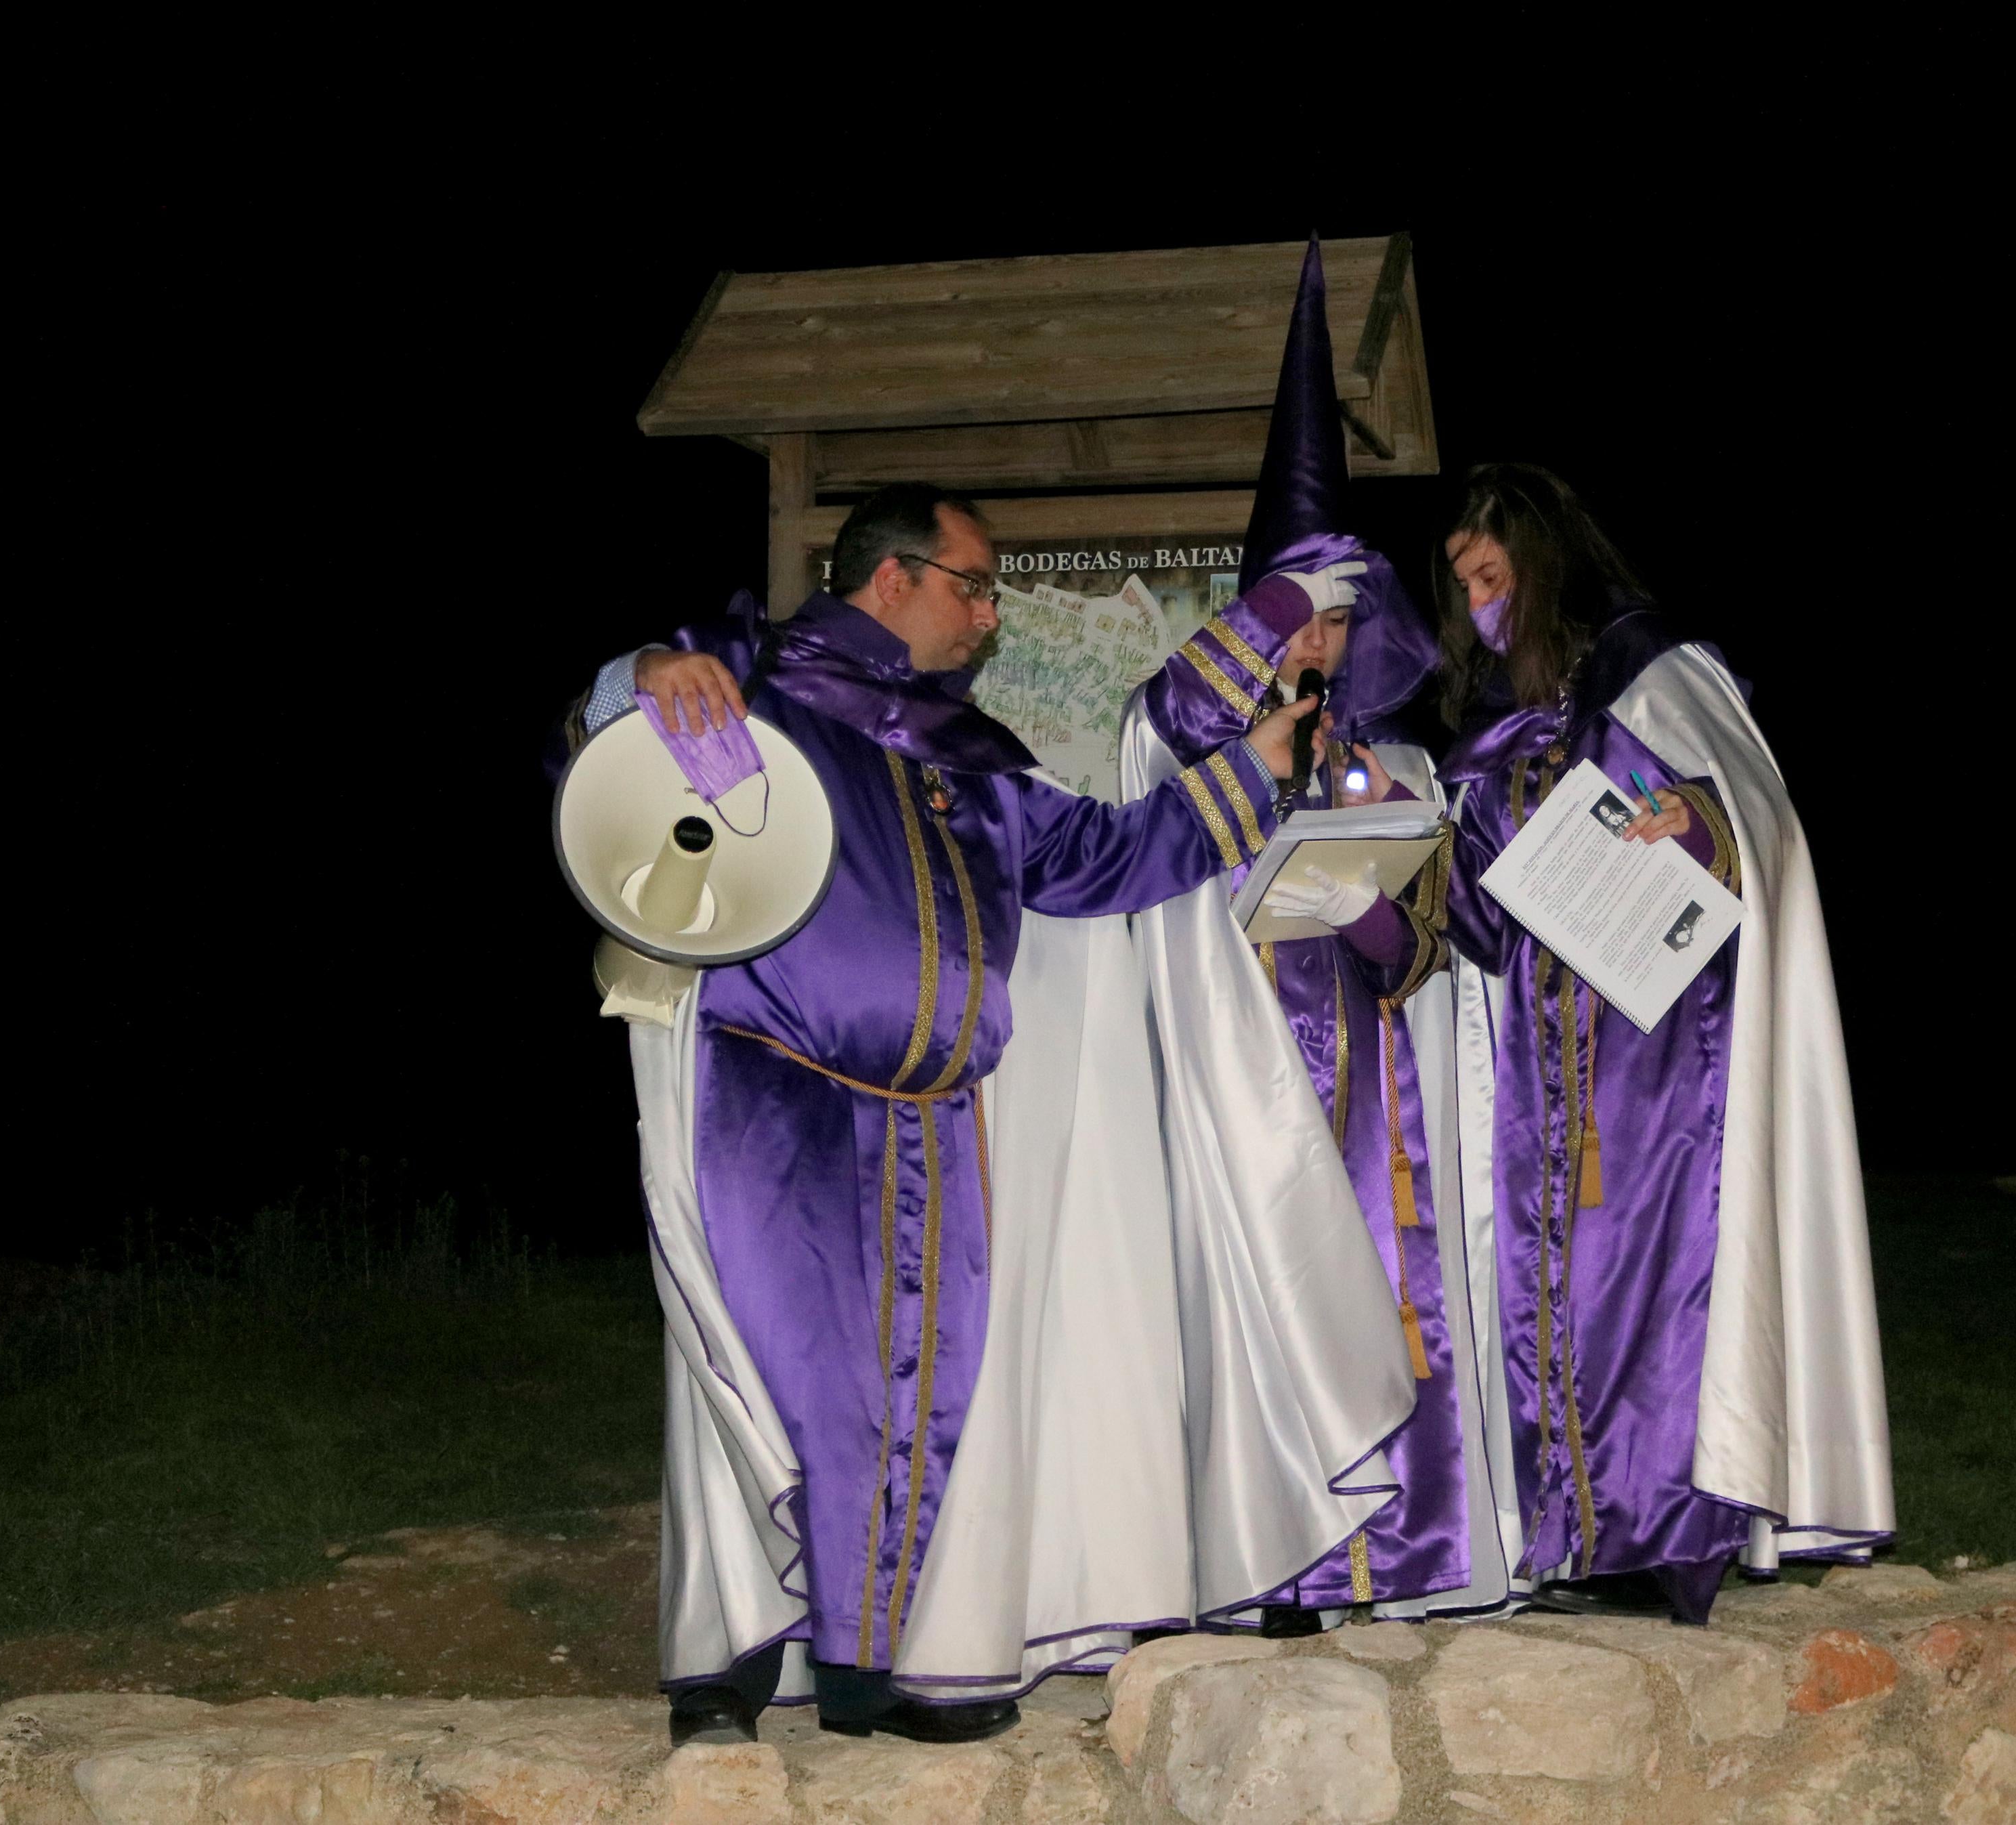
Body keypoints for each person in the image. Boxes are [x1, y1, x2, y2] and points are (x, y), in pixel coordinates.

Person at [556, 482, 1331, 1745]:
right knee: (765, 1380)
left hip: (933, 1123)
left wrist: (1254, 769)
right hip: (772, 1100)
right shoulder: (756, 702)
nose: (988, 614)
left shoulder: (972, 757)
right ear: (892, 580)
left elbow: (1102, 861)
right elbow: (605, 787)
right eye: (972, 585)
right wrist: (634, 676)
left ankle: (874, 1665)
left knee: (918, 1395)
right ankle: (727, 1665)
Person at [1119, 239, 1518, 1637]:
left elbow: (1419, 954)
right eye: (1300, 614)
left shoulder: (1394, 763)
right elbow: (1161, 740)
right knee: (1246, 1309)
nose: (1319, 644)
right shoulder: (1183, 745)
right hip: (1229, 1092)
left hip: (1360, 1104)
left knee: (1369, 1299)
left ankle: (1390, 1557)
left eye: (1341, 618)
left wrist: (1358, 903)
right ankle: (1264, 1564)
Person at [1431, 463, 1893, 1624]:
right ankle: (1575, 1538)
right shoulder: (1494, 726)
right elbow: (1483, 914)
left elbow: (1749, 828)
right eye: (1461, 586)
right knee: (1550, 1295)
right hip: (1538, 1070)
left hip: (1657, 1063)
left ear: (1540, 563)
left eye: (1492, 576)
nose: (1479, 604)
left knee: (1649, 1285)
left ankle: (1657, 1542)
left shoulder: (1650, 670)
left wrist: (1688, 822)